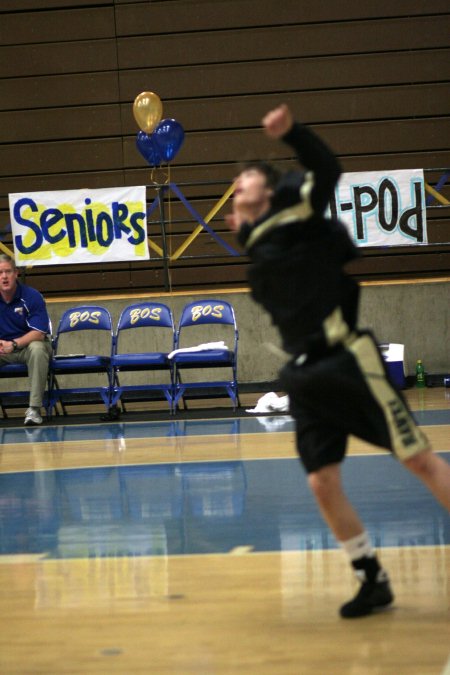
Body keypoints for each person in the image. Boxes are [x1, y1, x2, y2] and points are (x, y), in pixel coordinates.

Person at [226, 104, 450, 618]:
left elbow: (327, 171)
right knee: (321, 482)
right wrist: (244, 228)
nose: (238, 184)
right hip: (304, 375)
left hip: (348, 359)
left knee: (418, 458)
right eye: (235, 183)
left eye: (246, 178)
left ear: (270, 185)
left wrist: (293, 133)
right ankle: (372, 578)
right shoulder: (258, 242)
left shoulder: (298, 210)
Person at [0, 254, 52, 425]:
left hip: (28, 347)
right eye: (0, 273)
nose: (4, 277)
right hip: (3, 348)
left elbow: (39, 332)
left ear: (15, 273)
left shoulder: (32, 296)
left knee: (38, 348)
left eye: (7, 271)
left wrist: (13, 344)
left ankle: (34, 410)